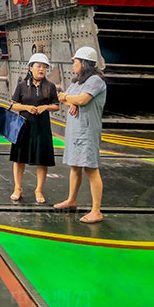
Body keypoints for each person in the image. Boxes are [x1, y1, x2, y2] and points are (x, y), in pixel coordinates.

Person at [54, 46, 107, 224]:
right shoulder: (77, 82)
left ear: (84, 63)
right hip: (75, 130)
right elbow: (64, 97)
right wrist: (72, 101)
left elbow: (82, 99)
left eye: (75, 62)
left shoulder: (95, 80)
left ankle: (96, 211)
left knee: (91, 169)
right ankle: (71, 200)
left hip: (87, 130)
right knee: (75, 166)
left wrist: (72, 100)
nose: (73, 65)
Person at [9, 53, 60, 204]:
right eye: (38, 66)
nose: (41, 69)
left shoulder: (50, 86)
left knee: (42, 159)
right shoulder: (22, 85)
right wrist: (26, 107)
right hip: (23, 127)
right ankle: (17, 188)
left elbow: (56, 105)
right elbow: (14, 104)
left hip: (42, 128)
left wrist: (45, 107)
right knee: (19, 158)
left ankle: (39, 190)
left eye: (44, 67)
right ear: (31, 68)